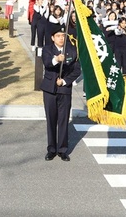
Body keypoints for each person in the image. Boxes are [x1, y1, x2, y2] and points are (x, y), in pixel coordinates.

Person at [41, 24, 81, 161]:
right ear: (52, 38)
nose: (61, 38)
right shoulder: (47, 49)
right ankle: (51, 149)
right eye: (58, 36)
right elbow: (46, 63)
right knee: (51, 120)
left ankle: (62, 150)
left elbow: (76, 70)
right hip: (49, 89)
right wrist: (57, 59)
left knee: (63, 120)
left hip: (64, 89)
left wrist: (64, 81)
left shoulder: (71, 50)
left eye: (63, 36)